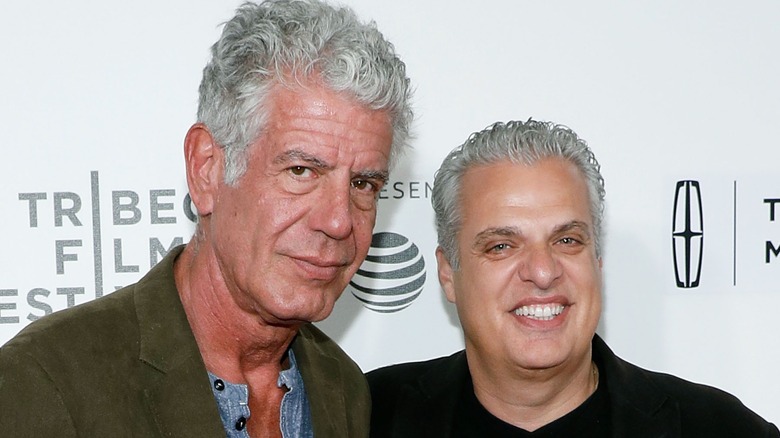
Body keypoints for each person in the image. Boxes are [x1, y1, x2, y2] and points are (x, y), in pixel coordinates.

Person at [0, 1, 412, 436]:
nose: (338, 221)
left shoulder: (343, 388)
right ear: (207, 169)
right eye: (301, 171)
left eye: (363, 184)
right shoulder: (50, 381)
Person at [367, 119, 778, 437]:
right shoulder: (360, 419)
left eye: (567, 240)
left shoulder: (720, 429)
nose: (543, 272)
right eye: (501, 246)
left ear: (597, 261)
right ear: (448, 273)